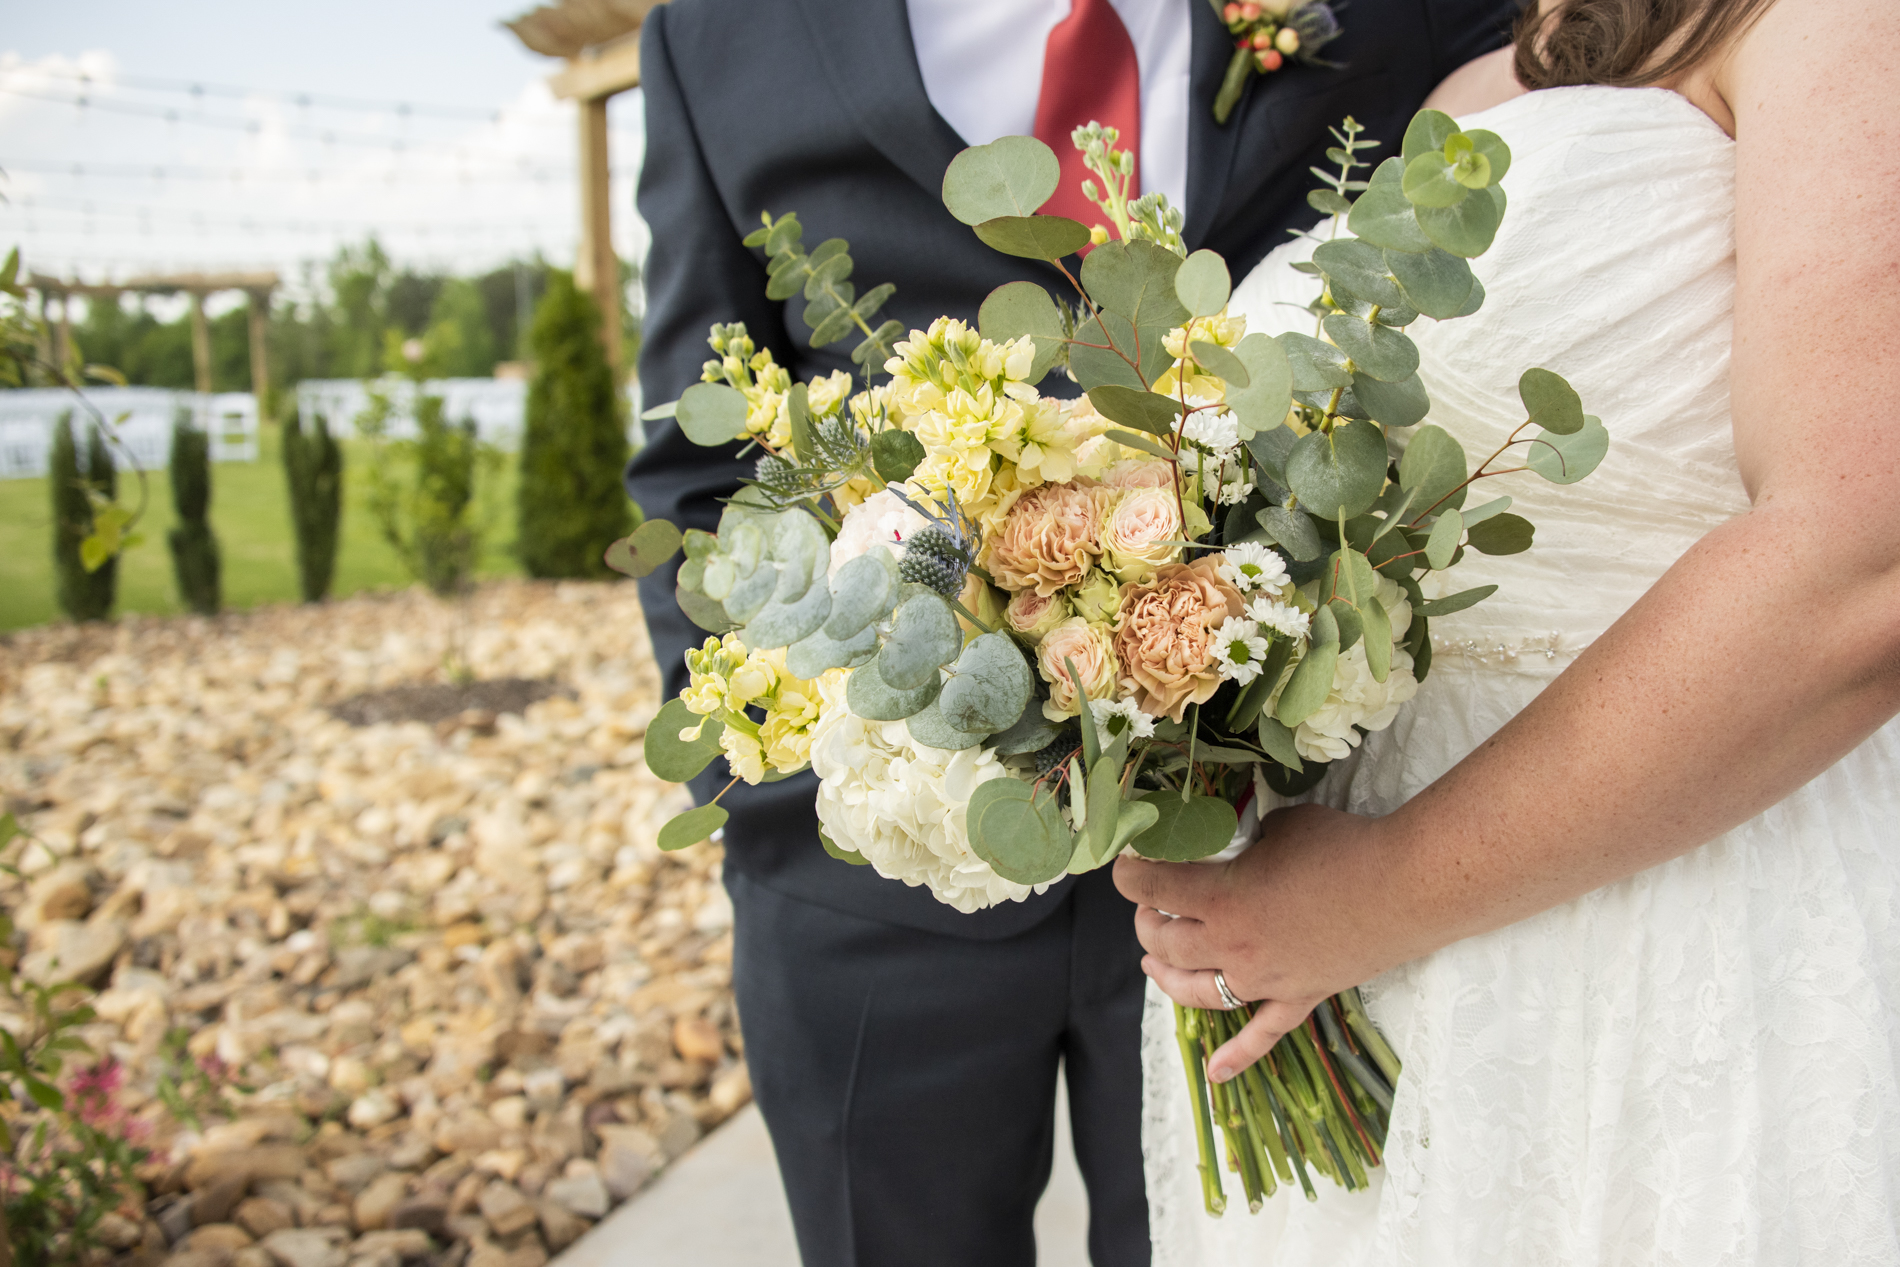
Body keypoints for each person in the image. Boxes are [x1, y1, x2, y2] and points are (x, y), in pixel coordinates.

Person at [626, 1, 1519, 1262]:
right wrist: (798, 772)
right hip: (881, 891)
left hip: (1274, 846)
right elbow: (692, 473)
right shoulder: (721, 37)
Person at [1120, 0, 1900, 1261]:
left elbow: (1864, 551)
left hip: (1680, 927)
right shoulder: (1481, 78)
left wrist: (1379, 894)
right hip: (1380, 993)